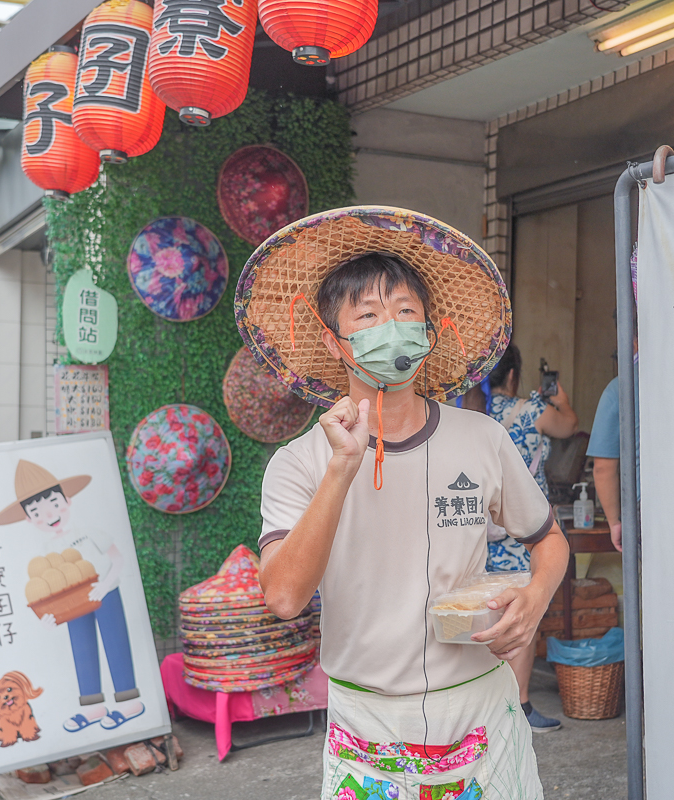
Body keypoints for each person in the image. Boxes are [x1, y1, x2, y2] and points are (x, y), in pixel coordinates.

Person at [244, 208, 569, 800]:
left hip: (480, 710)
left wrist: (535, 598)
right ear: (332, 340)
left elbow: (548, 539)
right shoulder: (299, 464)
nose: (389, 328)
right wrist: (343, 467)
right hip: (367, 725)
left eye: (404, 313)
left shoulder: (482, 438)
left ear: (431, 331)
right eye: (367, 316)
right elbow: (285, 596)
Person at [0, 460, 144, 734]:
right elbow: (48, 585)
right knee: (81, 645)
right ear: (28, 519)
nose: (49, 514)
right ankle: (92, 704)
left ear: (68, 500)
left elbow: (117, 560)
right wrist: (48, 617)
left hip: (105, 593)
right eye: (37, 511)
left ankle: (129, 699)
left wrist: (105, 585)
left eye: (54, 503)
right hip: (72, 599)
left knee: (115, 640)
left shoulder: (88, 533)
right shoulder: (47, 548)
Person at [478, 342, 577, 732]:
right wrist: (561, 400)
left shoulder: (474, 416)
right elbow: (569, 426)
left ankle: (487, 705)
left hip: (480, 530)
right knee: (522, 613)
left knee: (485, 612)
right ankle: (518, 706)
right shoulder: (534, 411)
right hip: (524, 531)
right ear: (515, 376)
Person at [588, 328, 639, 554]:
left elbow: (603, 468)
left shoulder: (619, 388)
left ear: (633, 342)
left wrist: (615, 523)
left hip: (645, 510)